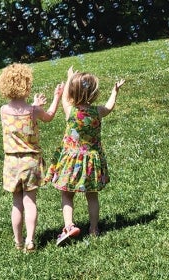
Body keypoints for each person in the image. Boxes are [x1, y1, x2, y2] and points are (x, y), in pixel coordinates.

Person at [45, 66, 125, 245]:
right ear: (93, 93)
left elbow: (66, 97)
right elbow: (110, 107)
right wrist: (115, 91)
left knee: (66, 194)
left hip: (71, 161)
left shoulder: (71, 111)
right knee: (92, 195)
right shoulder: (97, 111)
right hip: (91, 160)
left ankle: (69, 226)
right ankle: (94, 229)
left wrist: (69, 78)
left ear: (73, 92)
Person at [0, 63, 64, 252]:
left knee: (16, 204)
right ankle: (30, 240)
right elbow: (49, 116)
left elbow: (20, 113)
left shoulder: (3, 110)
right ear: (26, 85)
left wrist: (34, 105)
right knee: (30, 202)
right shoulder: (33, 111)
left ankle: (18, 242)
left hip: (11, 162)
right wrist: (56, 97)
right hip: (30, 162)